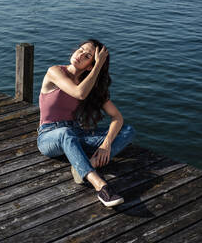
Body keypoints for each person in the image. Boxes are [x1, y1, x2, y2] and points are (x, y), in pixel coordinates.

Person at [37, 39, 135, 207]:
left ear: (90, 66)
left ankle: (87, 164)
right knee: (65, 133)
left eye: (87, 55)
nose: (80, 54)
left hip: (76, 134)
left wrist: (106, 143)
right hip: (49, 136)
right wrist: (98, 65)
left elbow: (117, 117)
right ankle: (101, 186)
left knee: (128, 131)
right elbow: (78, 93)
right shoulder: (55, 71)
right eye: (80, 49)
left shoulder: (90, 85)